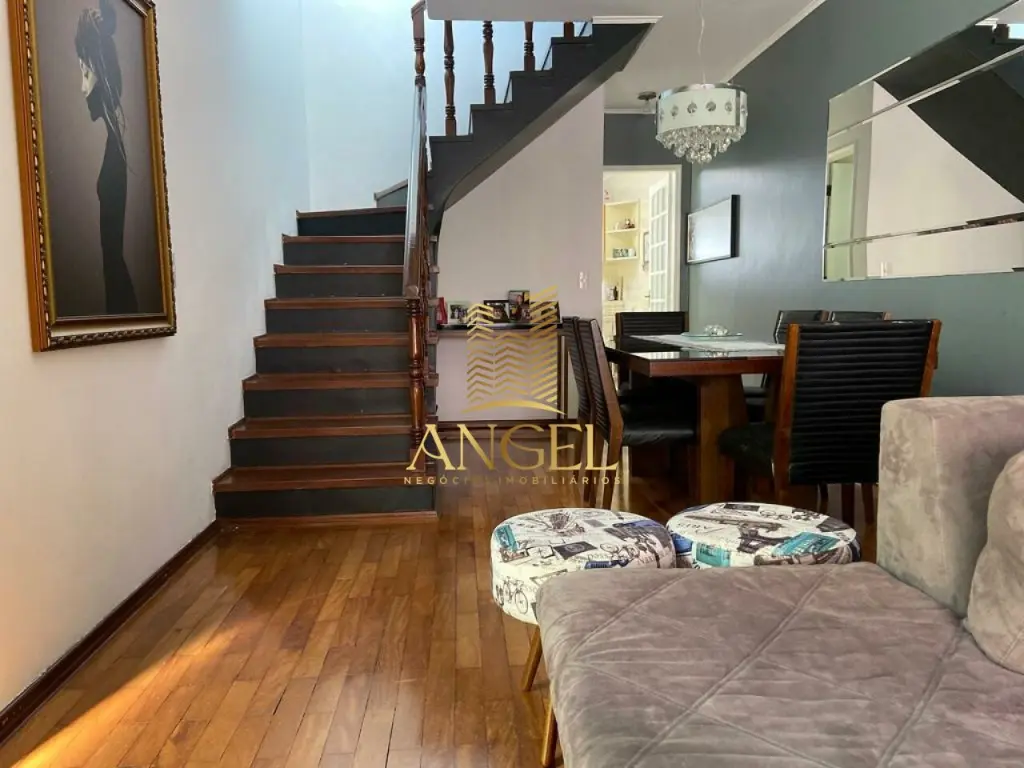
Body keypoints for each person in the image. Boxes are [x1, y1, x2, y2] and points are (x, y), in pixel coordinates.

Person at [77, 0, 138, 315]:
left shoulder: (113, 147)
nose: (82, 86)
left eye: (86, 72)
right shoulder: (112, 143)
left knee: (113, 262)